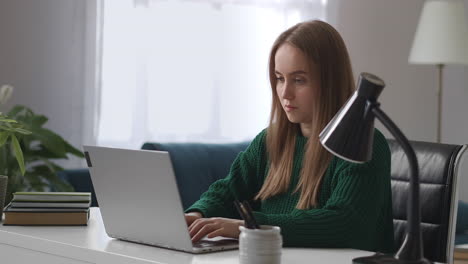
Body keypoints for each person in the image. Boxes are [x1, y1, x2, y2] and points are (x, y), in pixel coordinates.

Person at [184, 20, 394, 253]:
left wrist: (252, 225)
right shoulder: (269, 140)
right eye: (279, 78)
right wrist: (196, 214)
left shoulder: (365, 144)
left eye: (299, 80)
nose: (285, 93)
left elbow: (346, 224)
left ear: (329, 81)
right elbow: (228, 191)